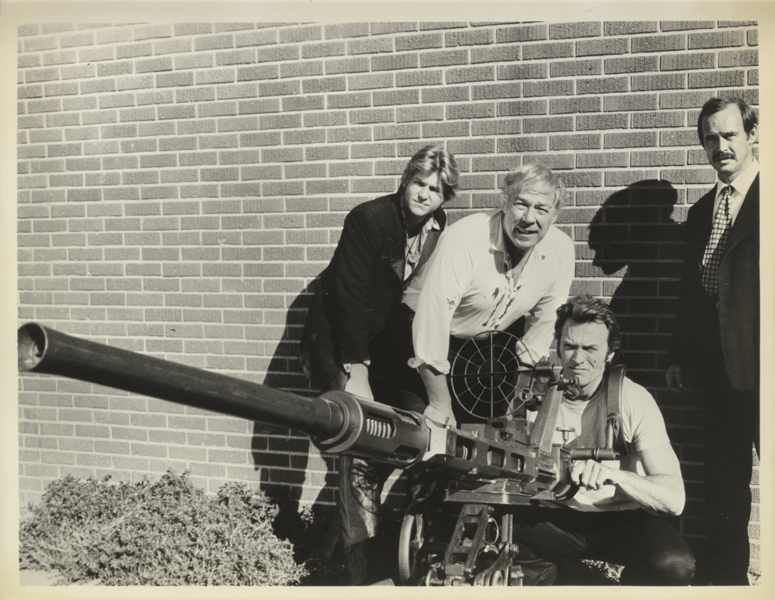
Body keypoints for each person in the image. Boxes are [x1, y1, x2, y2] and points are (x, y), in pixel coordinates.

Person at [299, 144, 459, 585]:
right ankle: (366, 575)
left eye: (436, 189)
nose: (425, 194)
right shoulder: (369, 219)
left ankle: (333, 547)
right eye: (419, 183)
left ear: (445, 198)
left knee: (410, 434)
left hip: (388, 343)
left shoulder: (439, 230)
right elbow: (348, 297)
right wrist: (357, 368)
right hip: (338, 338)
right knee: (357, 440)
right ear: (405, 180)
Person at [516, 296, 695, 585]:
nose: (577, 359)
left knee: (673, 564)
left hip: (622, 521)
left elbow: (675, 499)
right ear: (558, 347)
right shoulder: (533, 398)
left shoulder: (632, 398)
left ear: (610, 354)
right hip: (558, 519)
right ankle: (557, 575)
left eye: (590, 349)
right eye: (569, 346)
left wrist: (615, 475)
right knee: (496, 525)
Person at [666, 96, 759, 585]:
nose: (720, 146)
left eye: (729, 135)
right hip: (721, 373)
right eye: (710, 138)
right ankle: (729, 584)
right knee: (725, 487)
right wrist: (681, 353)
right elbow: (693, 290)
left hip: (765, 368)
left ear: (750, 135)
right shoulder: (704, 210)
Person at [406, 163, 575, 425]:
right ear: (505, 202)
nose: (529, 218)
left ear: (555, 215)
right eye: (521, 204)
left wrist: (519, 393)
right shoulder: (464, 238)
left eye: (541, 209)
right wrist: (440, 404)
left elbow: (543, 326)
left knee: (482, 439)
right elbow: (432, 321)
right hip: (418, 336)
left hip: (482, 348)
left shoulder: (561, 250)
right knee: (424, 434)